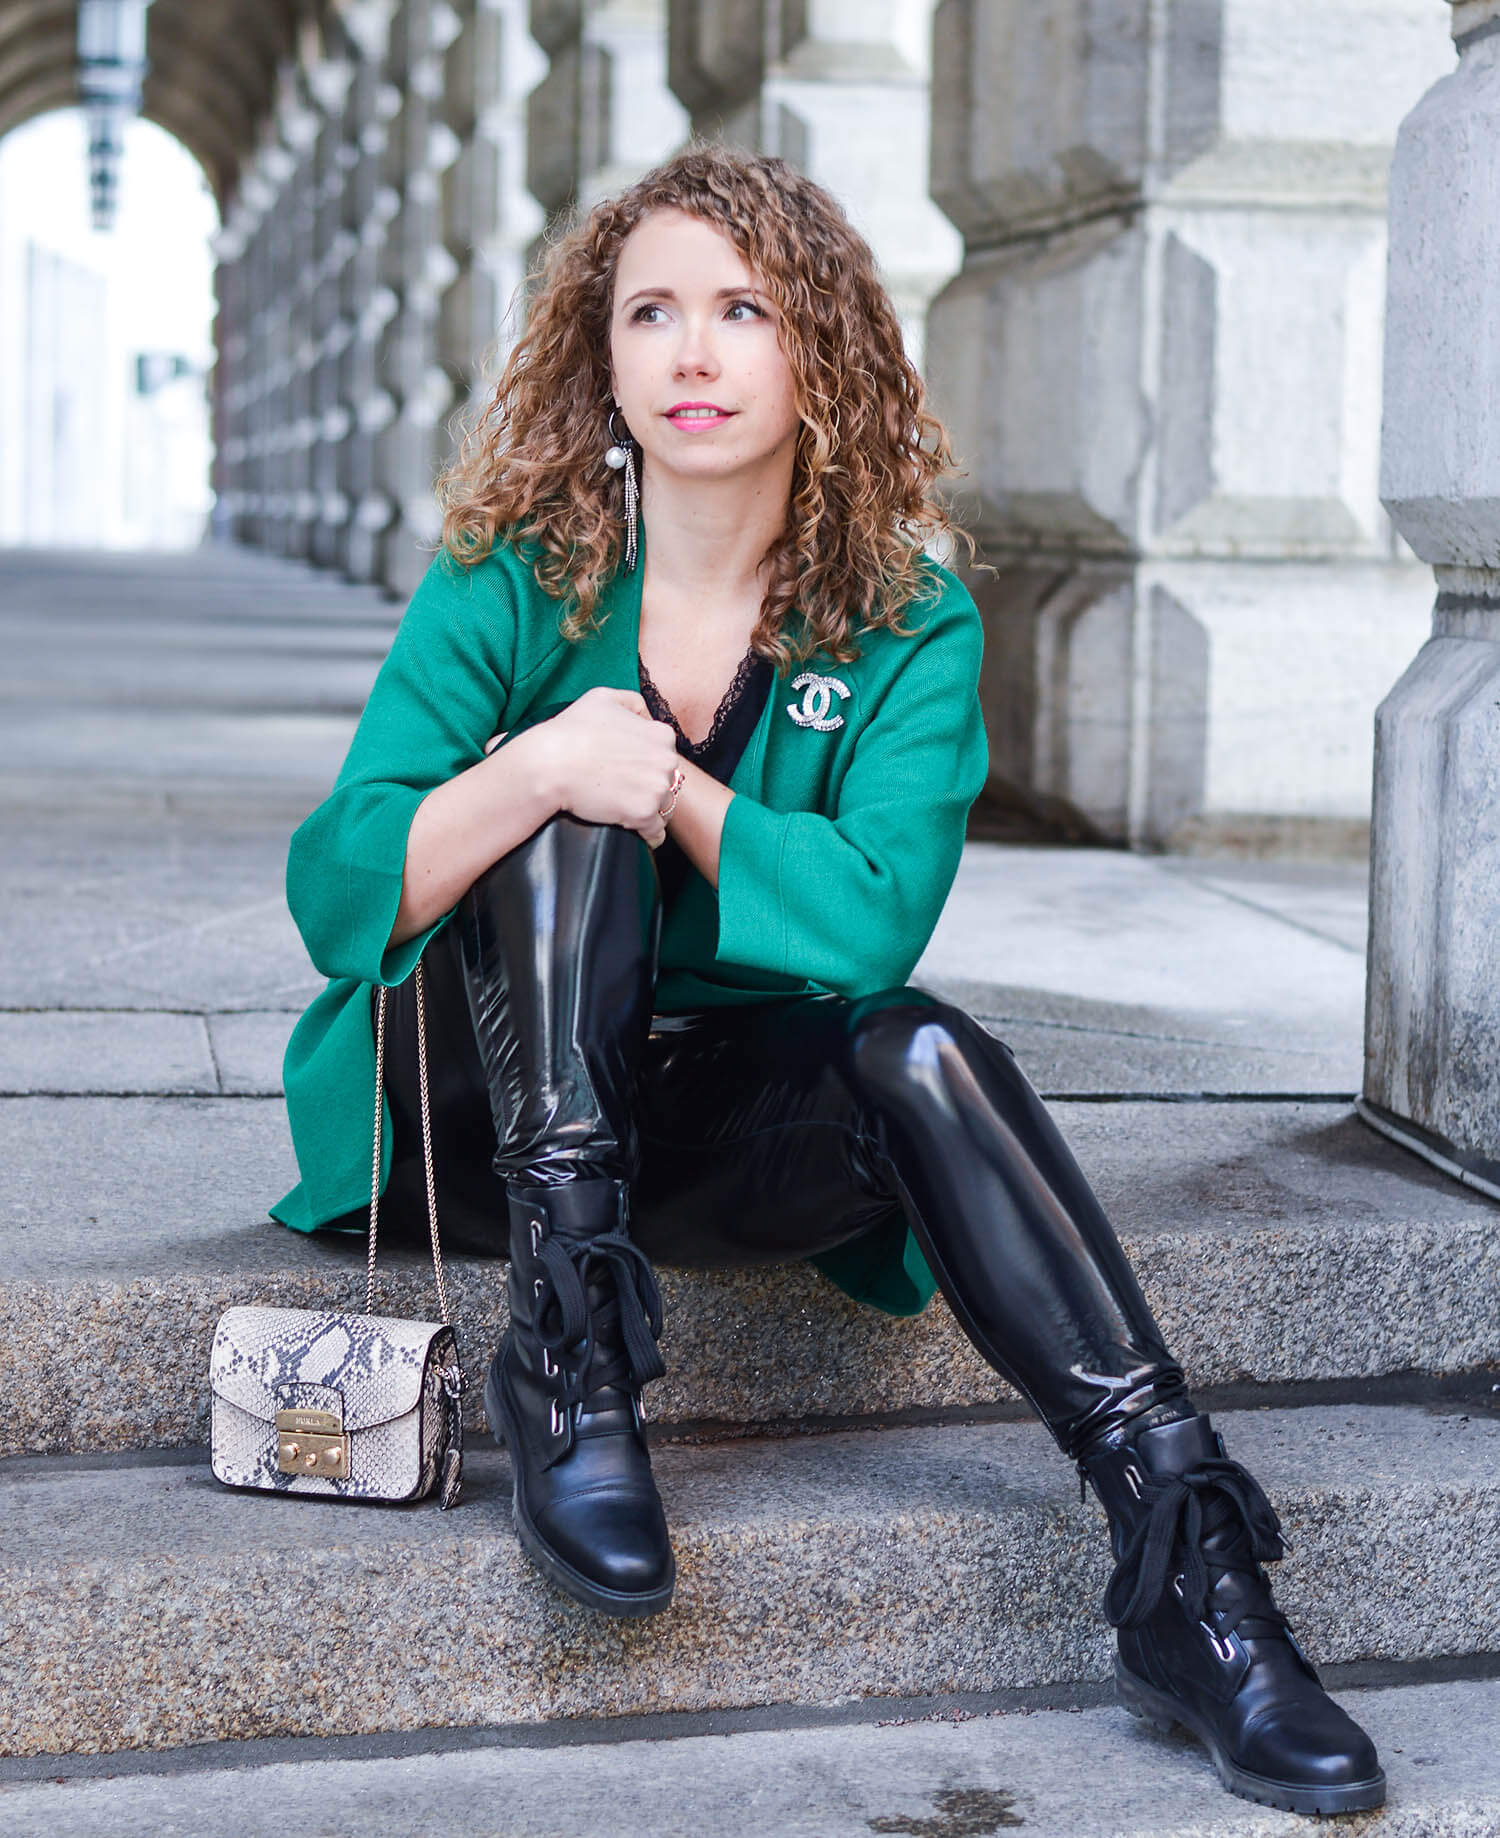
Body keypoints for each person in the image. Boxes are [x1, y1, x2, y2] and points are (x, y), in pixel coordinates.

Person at [271, 146, 1383, 1818]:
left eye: (743, 310)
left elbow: (869, 932)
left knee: (918, 1050)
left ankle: (1188, 1564)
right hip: (468, 1105)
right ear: (604, 356)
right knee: (567, 814)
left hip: (707, 1127)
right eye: (652, 312)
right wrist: (550, 766)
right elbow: (337, 880)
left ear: (822, 355)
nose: (694, 353)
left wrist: (688, 796)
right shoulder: (518, 572)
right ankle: (572, 1363)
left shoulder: (906, 624)